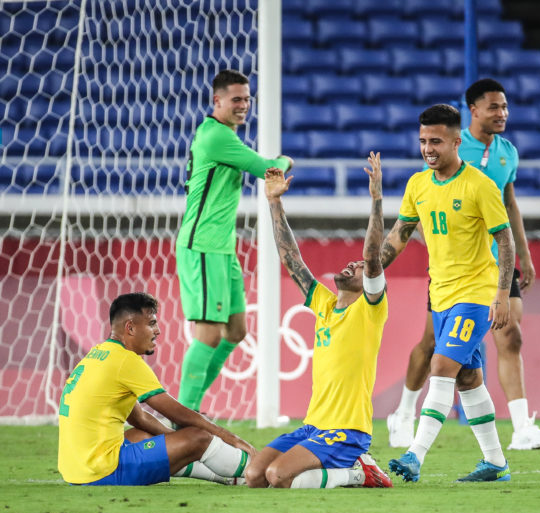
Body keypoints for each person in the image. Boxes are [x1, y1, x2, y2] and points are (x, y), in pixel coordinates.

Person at [386, 78, 540, 451]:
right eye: (494, 106)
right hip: (454, 273)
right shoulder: (448, 143)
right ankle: (403, 413)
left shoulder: (507, 153)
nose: (502, 113)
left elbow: (509, 204)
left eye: (505, 106)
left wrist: (525, 254)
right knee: (432, 346)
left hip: (497, 263)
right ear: (474, 110)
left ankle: (521, 427)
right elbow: (420, 211)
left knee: (510, 334)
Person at [382, 104, 515, 483]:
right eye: (423, 141)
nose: (428, 148)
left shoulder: (480, 185)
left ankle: (414, 455)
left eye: (436, 141)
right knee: (468, 378)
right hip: (440, 294)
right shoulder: (417, 184)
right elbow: (400, 234)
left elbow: (505, 241)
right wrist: (372, 267)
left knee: (440, 366)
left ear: (457, 142)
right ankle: (496, 463)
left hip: (476, 294)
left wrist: (502, 294)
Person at [244, 154, 393, 489]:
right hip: (313, 426)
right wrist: (274, 202)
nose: (353, 265)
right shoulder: (325, 304)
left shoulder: (370, 309)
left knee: (278, 475)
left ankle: (360, 472)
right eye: (352, 263)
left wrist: (376, 200)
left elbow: (372, 257)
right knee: (254, 476)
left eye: (360, 268)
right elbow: (291, 259)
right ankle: (349, 468)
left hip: (347, 430)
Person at [175, 69, 293, 413]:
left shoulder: (221, 134)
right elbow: (267, 168)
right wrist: (287, 160)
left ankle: (188, 409)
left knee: (236, 330)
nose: (244, 105)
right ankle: (183, 414)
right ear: (217, 100)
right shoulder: (216, 136)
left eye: (247, 99)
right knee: (209, 333)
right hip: (203, 245)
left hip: (222, 247)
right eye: (236, 99)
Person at [58, 292, 257, 486]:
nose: (158, 331)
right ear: (130, 328)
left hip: (76, 469)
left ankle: (228, 476)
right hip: (102, 471)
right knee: (198, 437)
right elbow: (180, 415)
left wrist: (174, 441)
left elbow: (140, 418)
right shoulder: (126, 361)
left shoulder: (99, 354)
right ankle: (257, 471)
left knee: (144, 435)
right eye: (151, 323)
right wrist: (231, 439)